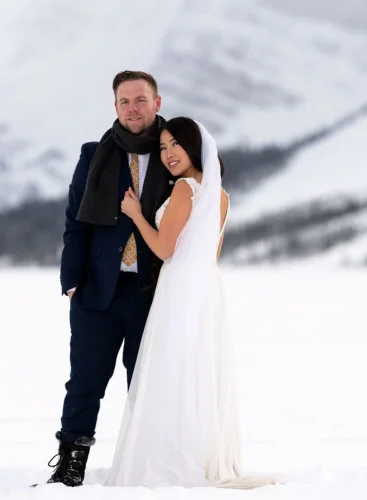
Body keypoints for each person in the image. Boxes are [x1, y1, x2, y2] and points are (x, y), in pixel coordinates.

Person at [105, 117, 278, 488]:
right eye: (163, 147)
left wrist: (136, 215)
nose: (168, 154)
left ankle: (171, 454)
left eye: (175, 145)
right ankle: (198, 451)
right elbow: (212, 252)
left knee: (174, 369)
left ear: (194, 147)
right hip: (207, 287)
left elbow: (166, 249)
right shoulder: (221, 194)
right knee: (199, 369)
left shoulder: (185, 188)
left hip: (181, 285)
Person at [42, 70, 176, 487]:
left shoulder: (176, 155)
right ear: (114, 106)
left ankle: (150, 464)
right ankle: (71, 463)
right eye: (124, 101)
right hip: (96, 290)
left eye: (140, 100)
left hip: (152, 292)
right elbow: (75, 223)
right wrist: (71, 281)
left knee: (150, 384)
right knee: (85, 381)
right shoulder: (93, 154)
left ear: (157, 102)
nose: (132, 108)